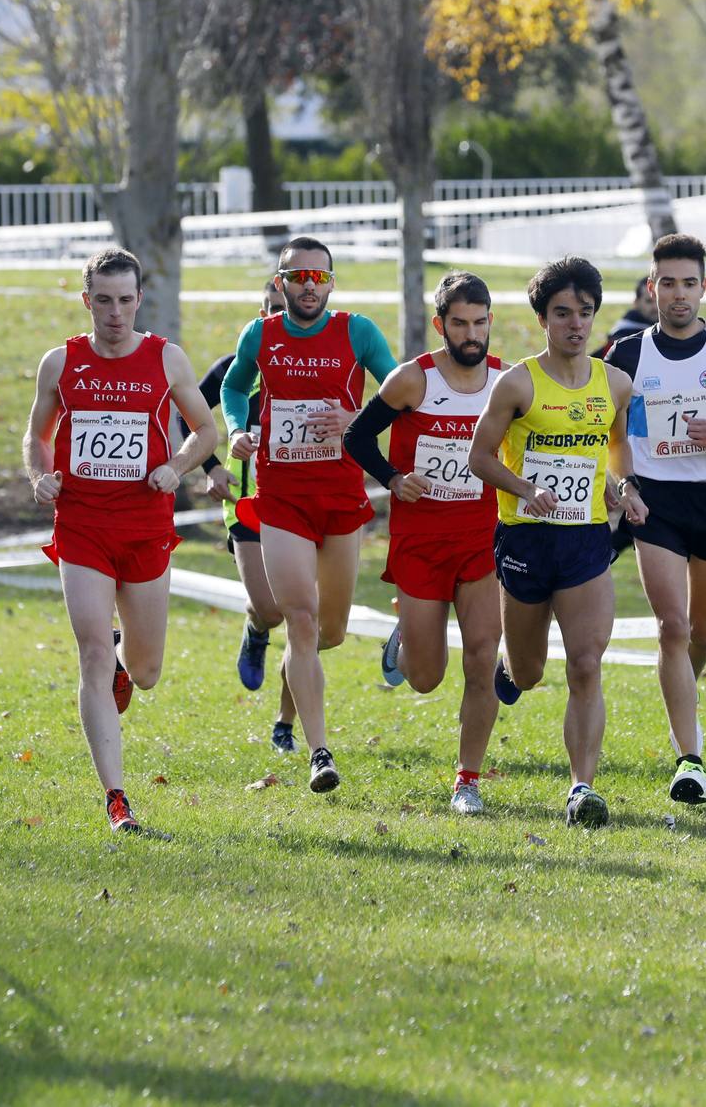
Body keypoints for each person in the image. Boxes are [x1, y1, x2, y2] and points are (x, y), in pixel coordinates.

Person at [23, 248, 219, 833]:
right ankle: (116, 798)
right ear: (88, 302)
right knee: (89, 652)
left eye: (125, 300)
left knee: (147, 670)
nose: (115, 313)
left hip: (144, 527)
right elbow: (36, 435)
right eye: (103, 301)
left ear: (139, 300)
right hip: (81, 525)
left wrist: (177, 467)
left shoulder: (167, 359)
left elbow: (206, 430)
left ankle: (120, 657)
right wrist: (40, 477)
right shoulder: (61, 363)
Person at [470, 256, 646, 827]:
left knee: (587, 664)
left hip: (586, 543)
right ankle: (510, 670)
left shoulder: (614, 383)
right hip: (525, 540)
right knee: (529, 672)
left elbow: (615, 451)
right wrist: (525, 487)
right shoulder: (517, 382)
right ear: (543, 318)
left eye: (585, 313)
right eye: (563, 313)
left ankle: (581, 788)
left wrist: (623, 488)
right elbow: (479, 458)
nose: (576, 325)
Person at [221, 236, 399, 793]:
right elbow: (232, 385)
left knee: (330, 631)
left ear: (332, 282)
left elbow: (401, 393)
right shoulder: (262, 333)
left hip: (342, 501)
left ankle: (290, 693)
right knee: (300, 619)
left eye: (318, 277)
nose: (308, 286)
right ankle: (320, 752)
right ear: (281, 282)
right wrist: (237, 430)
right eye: (298, 277)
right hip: (282, 497)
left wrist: (355, 416)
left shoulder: (358, 332)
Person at [604, 234, 706, 805]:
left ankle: (682, 697)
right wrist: (623, 486)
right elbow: (612, 437)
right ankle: (689, 759)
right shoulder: (625, 354)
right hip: (657, 505)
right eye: (666, 283)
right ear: (652, 288)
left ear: (704, 288)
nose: (677, 294)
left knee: (703, 631)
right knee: (672, 628)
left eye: (688, 283)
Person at [343, 272, 505, 814]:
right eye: (459, 323)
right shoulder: (413, 380)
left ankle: (467, 780)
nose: (471, 333)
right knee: (426, 677)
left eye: (480, 322)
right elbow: (356, 436)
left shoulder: (506, 383)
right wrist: (391, 478)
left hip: (482, 540)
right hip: (420, 540)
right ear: (441, 325)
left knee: (482, 659)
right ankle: (406, 632)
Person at [198, 281, 297, 752]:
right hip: (247, 503)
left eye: (290, 308)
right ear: (262, 312)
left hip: (305, 503)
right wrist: (211, 465)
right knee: (274, 609)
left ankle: (286, 724)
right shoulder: (238, 366)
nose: (283, 318)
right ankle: (256, 628)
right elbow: (185, 412)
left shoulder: (322, 365)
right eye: (274, 310)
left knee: (306, 618)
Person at [594, 273, 655, 360]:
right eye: (649, 301)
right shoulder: (622, 335)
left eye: (657, 301)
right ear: (636, 303)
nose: (655, 307)